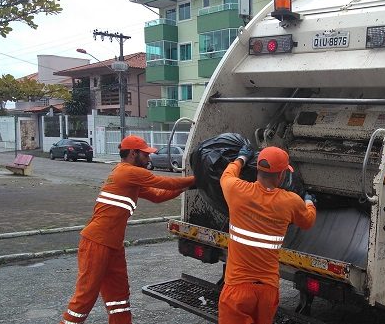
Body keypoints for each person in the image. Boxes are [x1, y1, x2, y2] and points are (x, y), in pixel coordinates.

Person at [59, 135, 196, 324]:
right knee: (85, 298)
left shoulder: (130, 178)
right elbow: (165, 182)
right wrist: (196, 179)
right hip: (97, 242)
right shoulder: (128, 172)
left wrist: (187, 187)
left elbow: (158, 196)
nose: (149, 159)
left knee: (119, 296)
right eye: (145, 155)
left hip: (112, 244)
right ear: (133, 153)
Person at [218, 145, 316, 324]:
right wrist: (309, 202)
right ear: (282, 175)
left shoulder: (236, 190)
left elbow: (227, 176)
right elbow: (308, 221)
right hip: (267, 291)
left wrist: (241, 159)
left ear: (257, 169)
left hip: (237, 288)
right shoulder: (290, 202)